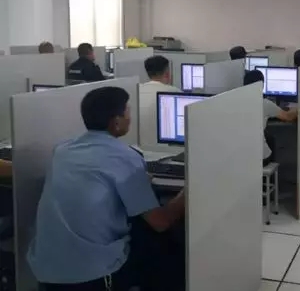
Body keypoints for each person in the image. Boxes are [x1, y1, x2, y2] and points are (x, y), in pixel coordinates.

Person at [28, 87, 185, 291]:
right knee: (164, 247)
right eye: (127, 112)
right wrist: (188, 191)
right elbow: (160, 222)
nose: (130, 118)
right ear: (116, 122)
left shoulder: (62, 150)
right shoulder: (125, 157)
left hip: (45, 268)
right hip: (92, 273)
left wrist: (136, 180)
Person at [244, 70, 297, 165]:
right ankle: (273, 170)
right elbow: (288, 117)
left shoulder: (235, 102)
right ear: (261, 85)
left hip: (239, 157)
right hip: (259, 158)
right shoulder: (265, 104)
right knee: (270, 139)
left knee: (268, 136)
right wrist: (297, 109)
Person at [139, 56, 181, 146]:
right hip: (168, 148)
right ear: (167, 74)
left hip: (140, 148)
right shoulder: (175, 92)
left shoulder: (137, 90)